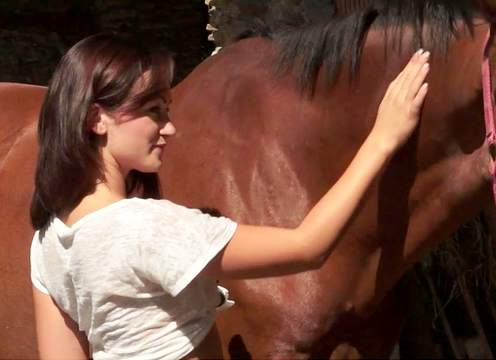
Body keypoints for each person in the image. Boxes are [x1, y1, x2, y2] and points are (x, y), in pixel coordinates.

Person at [29, 33, 431, 359]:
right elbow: (309, 246)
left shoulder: (47, 240)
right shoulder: (147, 228)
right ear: (97, 118)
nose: (170, 128)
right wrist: (383, 138)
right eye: (153, 110)